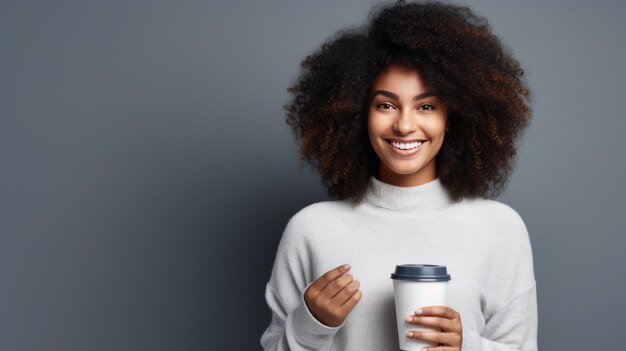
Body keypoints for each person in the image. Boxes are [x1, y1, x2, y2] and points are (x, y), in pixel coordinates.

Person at [260, 1, 537, 350]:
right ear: (358, 114)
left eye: (426, 106)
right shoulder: (311, 230)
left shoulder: (500, 229)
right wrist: (311, 325)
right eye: (386, 105)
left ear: (452, 117)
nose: (405, 125)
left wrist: (468, 345)